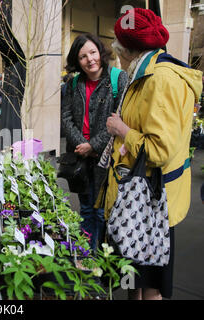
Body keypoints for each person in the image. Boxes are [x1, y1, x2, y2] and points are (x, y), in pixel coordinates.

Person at [103, 8, 202, 300]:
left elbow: (159, 149)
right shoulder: (149, 72)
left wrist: (122, 129)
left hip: (150, 205)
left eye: (117, 49)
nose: (117, 56)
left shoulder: (160, 80)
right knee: (136, 281)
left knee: (150, 287)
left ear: (129, 51)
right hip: (142, 200)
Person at [61, 33, 128, 251]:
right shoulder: (73, 83)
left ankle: (101, 259)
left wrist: (94, 146)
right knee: (87, 209)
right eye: (82, 56)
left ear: (100, 52)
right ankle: (86, 257)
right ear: (76, 61)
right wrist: (82, 144)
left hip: (106, 157)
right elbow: (66, 117)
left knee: (102, 212)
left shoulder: (118, 79)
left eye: (93, 52)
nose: (90, 59)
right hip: (80, 157)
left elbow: (121, 118)